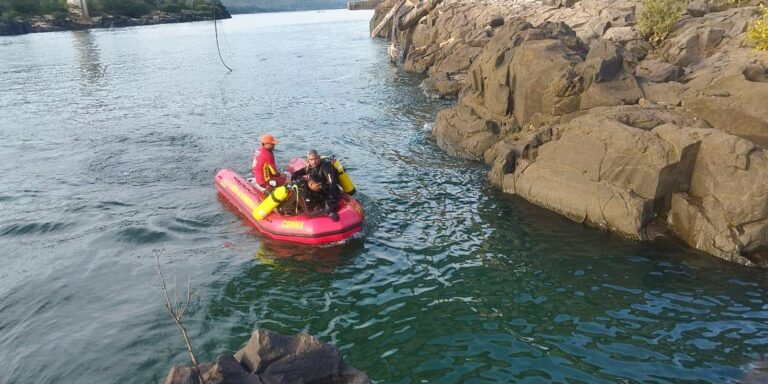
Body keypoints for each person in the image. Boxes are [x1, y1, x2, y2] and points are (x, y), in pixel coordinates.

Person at [291, 149, 341, 217]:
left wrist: (330, 204)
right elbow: (297, 174)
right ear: (308, 160)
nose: (314, 161)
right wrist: (294, 179)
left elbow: (333, 184)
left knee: (327, 208)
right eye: (311, 159)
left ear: (319, 157)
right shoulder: (310, 167)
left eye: (316, 159)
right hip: (317, 190)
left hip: (328, 191)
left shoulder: (325, 167)